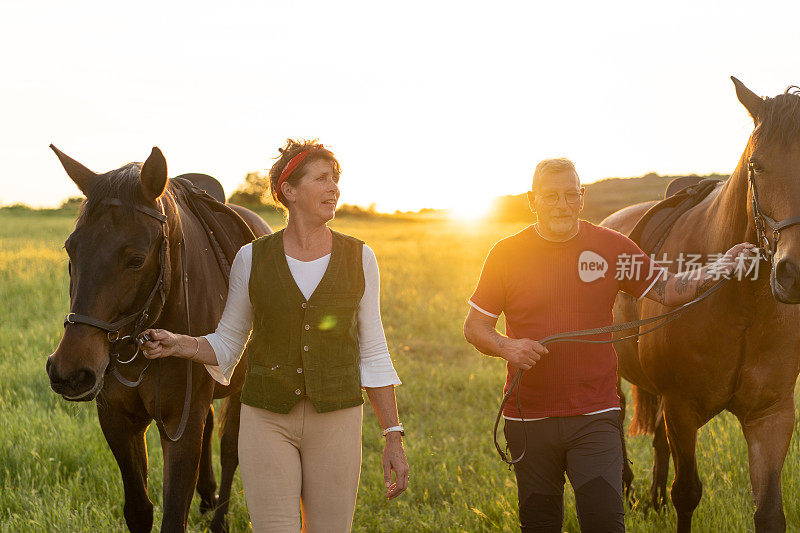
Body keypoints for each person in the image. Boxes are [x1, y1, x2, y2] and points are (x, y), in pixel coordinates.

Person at [462, 158, 755, 533]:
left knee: (605, 524)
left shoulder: (612, 246)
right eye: (551, 196)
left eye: (571, 195)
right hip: (529, 417)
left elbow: (666, 288)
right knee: (539, 524)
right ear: (533, 200)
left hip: (595, 418)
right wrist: (507, 347)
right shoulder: (505, 253)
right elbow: (475, 327)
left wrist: (719, 267)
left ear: (582, 197)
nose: (562, 204)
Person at [139, 139, 409, 532]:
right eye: (322, 179)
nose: (334, 188)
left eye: (336, 179)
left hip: (337, 419)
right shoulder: (252, 258)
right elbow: (229, 343)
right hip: (266, 421)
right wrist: (178, 343)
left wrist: (393, 436)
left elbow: (374, 351)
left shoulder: (360, 258)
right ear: (290, 191)